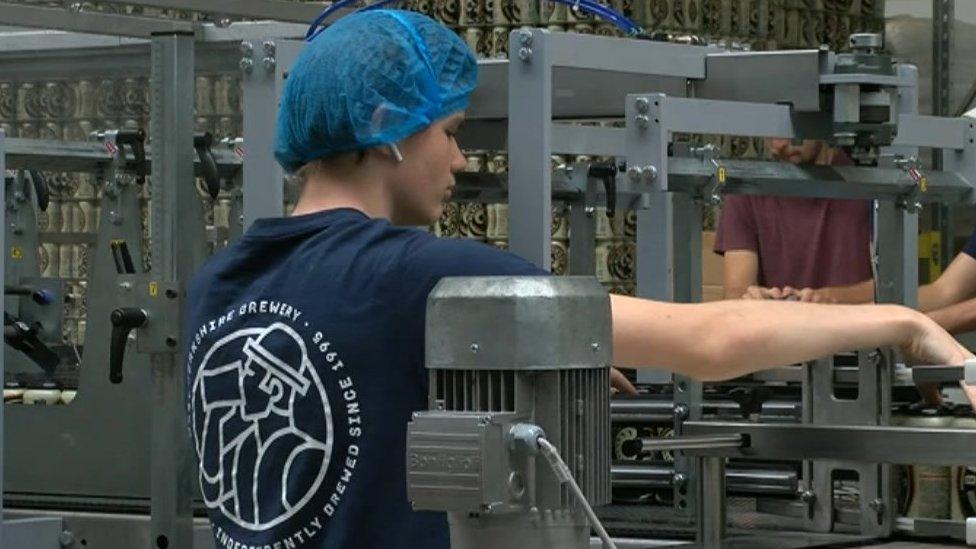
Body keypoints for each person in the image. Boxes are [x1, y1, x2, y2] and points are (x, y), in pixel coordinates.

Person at [182, 10, 975, 549]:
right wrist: (906, 322)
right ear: (389, 131)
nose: (461, 159)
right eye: (451, 132)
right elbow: (710, 337)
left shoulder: (220, 283)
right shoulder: (418, 275)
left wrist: (550, 352)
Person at [715, 138, 874, 303]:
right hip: (776, 326)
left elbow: (894, 286)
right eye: (770, 135)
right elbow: (736, 295)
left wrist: (827, 299)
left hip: (853, 327)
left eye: (787, 132)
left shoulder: (875, 189)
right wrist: (755, 300)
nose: (778, 146)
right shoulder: (746, 193)